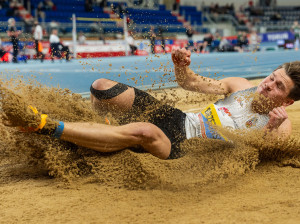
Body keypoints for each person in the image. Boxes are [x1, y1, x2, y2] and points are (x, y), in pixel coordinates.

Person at [1, 48, 299, 160]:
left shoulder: (280, 123)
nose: (267, 84)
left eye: (277, 86)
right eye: (271, 77)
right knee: (101, 88)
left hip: (192, 149)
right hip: (180, 120)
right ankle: (99, 137)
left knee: (144, 131)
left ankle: (44, 125)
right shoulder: (240, 86)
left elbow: (265, 157)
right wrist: (182, 67)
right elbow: (192, 83)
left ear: (287, 100)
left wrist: (271, 129)